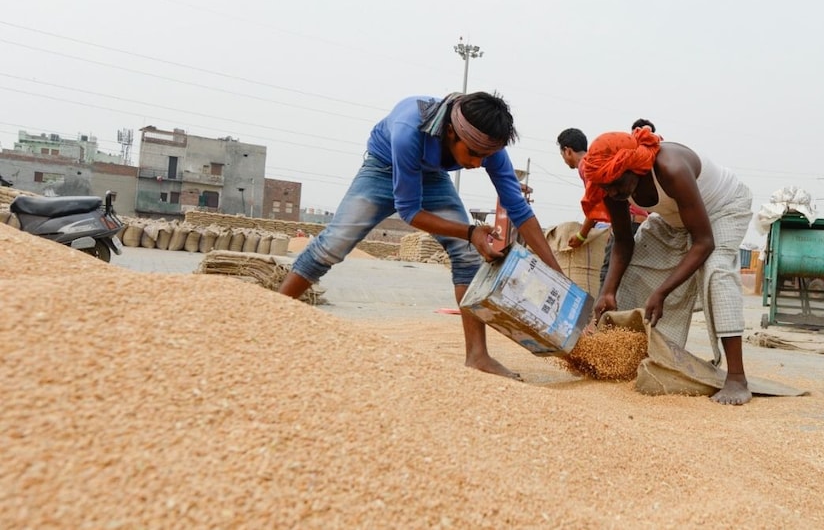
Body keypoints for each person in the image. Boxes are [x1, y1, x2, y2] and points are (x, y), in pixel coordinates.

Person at [278, 91, 564, 380]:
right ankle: (271, 315)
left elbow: (519, 209)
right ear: (451, 132)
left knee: (466, 255)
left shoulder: (488, 145)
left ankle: (478, 355)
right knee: (333, 245)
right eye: (474, 155)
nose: (479, 164)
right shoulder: (408, 130)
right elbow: (409, 212)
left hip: (431, 175)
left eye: (486, 157)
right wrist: (470, 232)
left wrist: (558, 277)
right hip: (383, 168)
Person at [582, 128, 754, 405]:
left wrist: (662, 291)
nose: (612, 193)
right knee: (635, 271)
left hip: (722, 209)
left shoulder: (671, 169)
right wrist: (608, 290)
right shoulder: (610, 185)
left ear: (634, 169)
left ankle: (737, 377)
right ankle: (627, 357)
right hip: (675, 218)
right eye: (606, 187)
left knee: (716, 272)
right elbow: (624, 242)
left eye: (616, 184)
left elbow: (703, 242)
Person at [557, 124, 651, 292]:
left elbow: (594, 205)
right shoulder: (599, 162)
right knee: (629, 279)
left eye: (562, 154)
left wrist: (581, 235)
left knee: (609, 278)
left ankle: (604, 316)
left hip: (628, 223)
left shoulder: (588, 167)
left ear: (567, 151)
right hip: (640, 222)